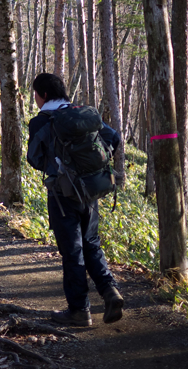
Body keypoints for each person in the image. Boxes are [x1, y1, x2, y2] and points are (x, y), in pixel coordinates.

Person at [26, 72, 124, 327]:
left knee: (72, 250)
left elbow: (34, 159)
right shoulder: (82, 115)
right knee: (91, 243)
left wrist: (57, 166)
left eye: (36, 94)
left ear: (44, 95)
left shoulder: (42, 121)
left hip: (62, 195)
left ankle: (80, 310)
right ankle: (110, 291)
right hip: (91, 191)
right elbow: (113, 138)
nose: (35, 99)